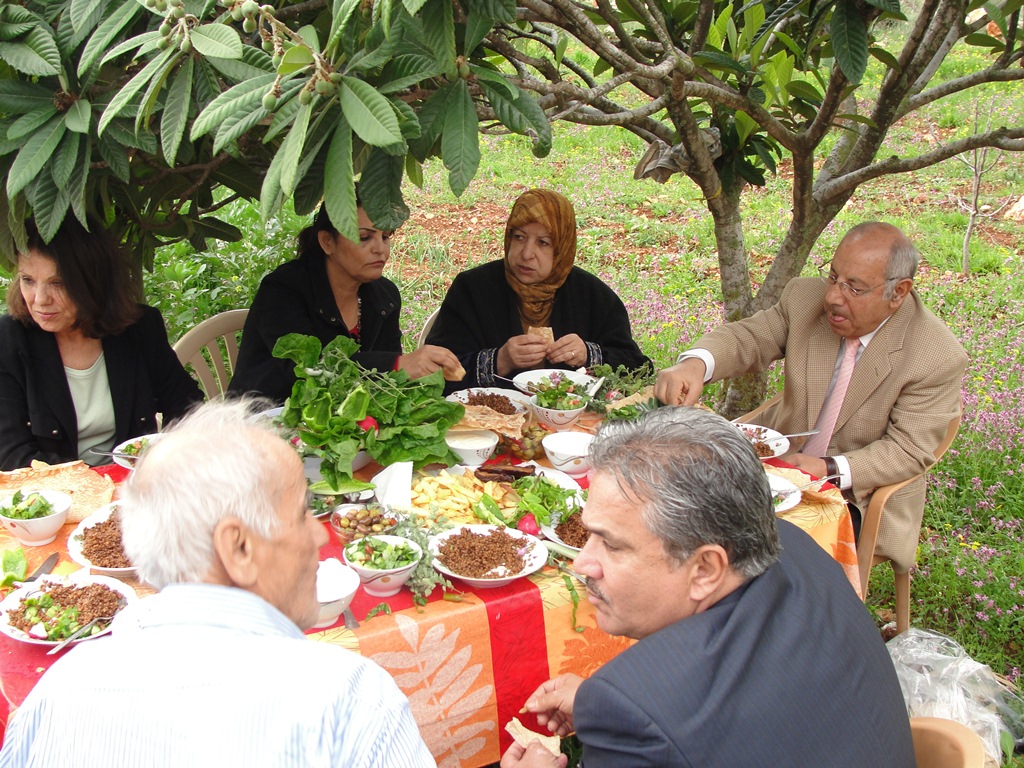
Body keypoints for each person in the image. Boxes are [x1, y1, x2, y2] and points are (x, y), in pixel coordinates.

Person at [0, 399, 436, 767]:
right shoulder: (350, 699)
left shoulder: (58, 692)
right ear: (239, 548)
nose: (321, 536)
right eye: (303, 512)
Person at [502, 407, 916, 768]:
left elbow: (671, 713)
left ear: (705, 569)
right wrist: (606, 705)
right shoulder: (799, 547)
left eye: (611, 543)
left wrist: (623, 708)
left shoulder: (637, 710)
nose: (582, 563)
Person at [655, 222, 967, 570]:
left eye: (855, 288)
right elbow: (750, 337)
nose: (833, 296)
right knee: (674, 502)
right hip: (776, 463)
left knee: (756, 547)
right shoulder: (804, 300)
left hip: (855, 493)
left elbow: (908, 449)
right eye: (834, 277)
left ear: (898, 292)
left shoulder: (935, 354)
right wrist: (696, 364)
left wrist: (827, 468)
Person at [0, 218, 202, 471]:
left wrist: (168, 457)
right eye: (28, 280)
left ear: (93, 281)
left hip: (140, 483)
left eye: (58, 283)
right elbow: (12, 453)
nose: (40, 299)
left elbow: (186, 405)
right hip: (55, 497)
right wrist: (96, 483)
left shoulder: (139, 328)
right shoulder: (9, 339)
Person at [229, 201, 462, 402]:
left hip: (344, 426)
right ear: (327, 241)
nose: (380, 249)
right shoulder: (283, 290)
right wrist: (397, 364)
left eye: (385, 236)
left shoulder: (384, 296)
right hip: (265, 423)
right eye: (364, 237)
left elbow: (388, 385)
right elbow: (307, 369)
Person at [425, 188, 650, 391]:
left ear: (562, 247)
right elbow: (430, 370)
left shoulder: (592, 296)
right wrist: (499, 360)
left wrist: (588, 354)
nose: (526, 253)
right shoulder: (472, 290)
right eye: (519, 237)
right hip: (487, 425)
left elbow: (639, 369)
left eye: (543, 242)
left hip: (571, 429)